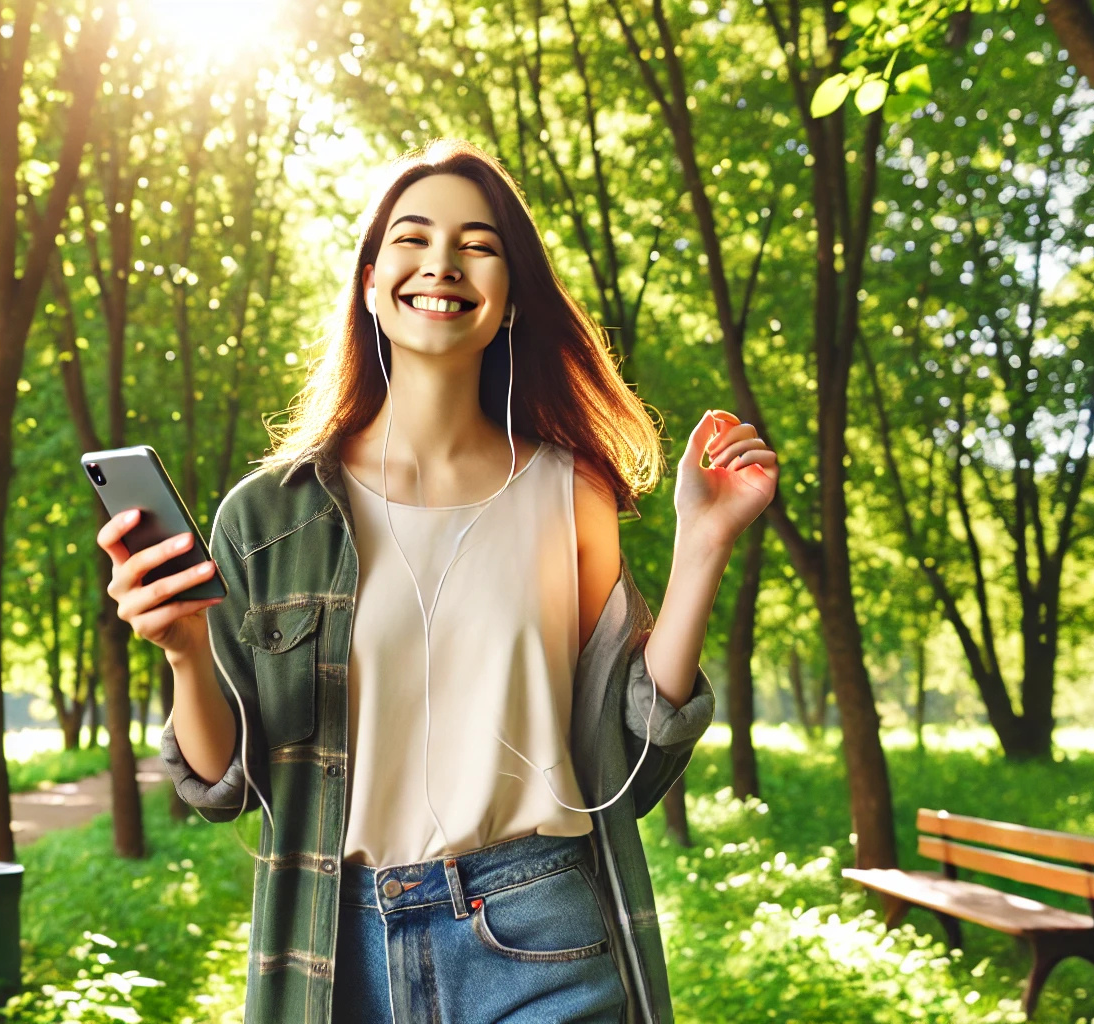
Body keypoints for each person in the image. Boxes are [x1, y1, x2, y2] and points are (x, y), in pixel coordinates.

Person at [98, 139, 777, 1023]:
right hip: (337, 957)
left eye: (478, 245)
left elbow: (630, 764)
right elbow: (225, 783)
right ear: (370, 283)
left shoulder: (570, 492)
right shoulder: (268, 517)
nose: (442, 263)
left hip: (537, 930)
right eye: (413, 239)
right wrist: (185, 649)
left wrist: (703, 547)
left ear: (511, 298)